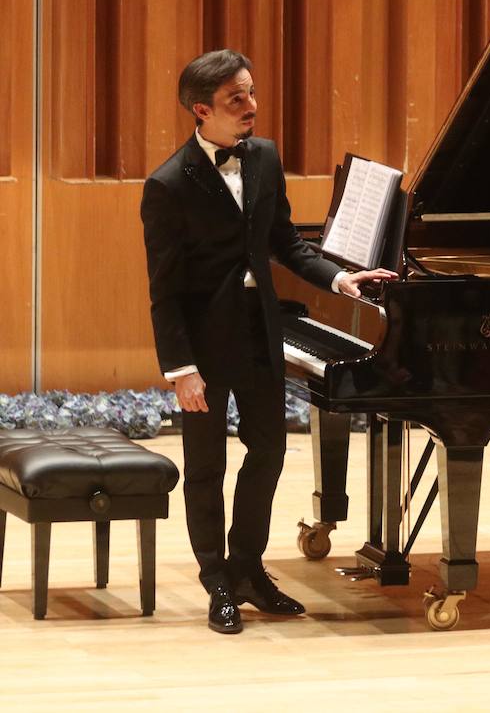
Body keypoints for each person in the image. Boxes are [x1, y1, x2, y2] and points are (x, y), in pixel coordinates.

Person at [140, 49, 396, 634]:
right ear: (202, 111)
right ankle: (216, 580)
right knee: (206, 468)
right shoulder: (168, 185)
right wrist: (181, 369)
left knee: (270, 452)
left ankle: (248, 568)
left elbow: (285, 242)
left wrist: (339, 277)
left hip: (260, 334)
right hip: (203, 349)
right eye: (237, 99)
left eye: (252, 93)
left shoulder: (263, 157)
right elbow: (165, 291)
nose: (252, 107)